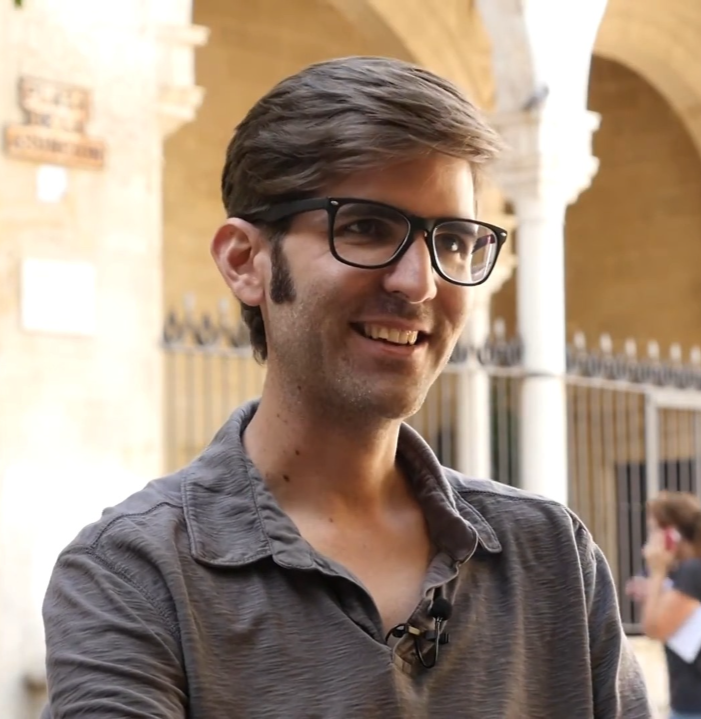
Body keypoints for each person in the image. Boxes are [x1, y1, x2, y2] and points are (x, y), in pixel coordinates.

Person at [40, 56, 652, 718]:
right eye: (364, 227)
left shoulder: (553, 557)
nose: (419, 283)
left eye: (452, 240)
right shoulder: (134, 573)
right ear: (245, 262)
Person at [627, 490, 701, 719]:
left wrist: (657, 572)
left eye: (653, 531)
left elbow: (654, 628)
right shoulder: (684, 572)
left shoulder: (692, 571)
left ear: (672, 535)